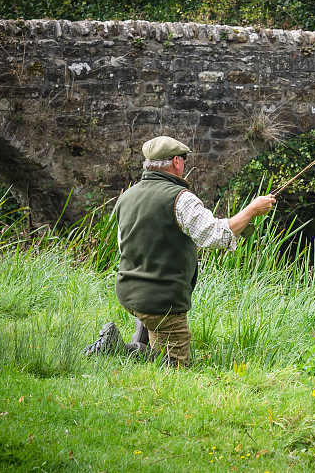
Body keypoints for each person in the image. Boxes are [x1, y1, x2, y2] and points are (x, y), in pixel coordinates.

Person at [83, 135, 276, 367]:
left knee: (150, 315)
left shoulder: (127, 196)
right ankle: (117, 347)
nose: (184, 164)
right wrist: (252, 210)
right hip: (160, 301)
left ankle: (139, 341)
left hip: (128, 292)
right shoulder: (180, 199)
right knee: (176, 364)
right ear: (176, 161)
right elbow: (214, 235)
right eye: (183, 159)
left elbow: (126, 244)